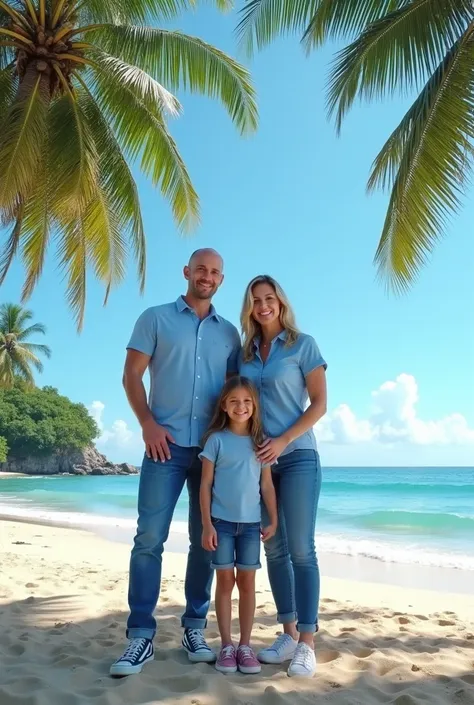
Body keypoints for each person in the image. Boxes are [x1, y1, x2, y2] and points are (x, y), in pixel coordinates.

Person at [110, 249, 241, 677]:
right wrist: (147, 423)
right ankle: (140, 637)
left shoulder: (230, 334)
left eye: (215, 272)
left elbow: (236, 393)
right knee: (149, 537)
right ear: (187, 272)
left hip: (210, 452)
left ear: (222, 280)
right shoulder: (155, 318)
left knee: (205, 538)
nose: (207, 276)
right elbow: (132, 375)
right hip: (162, 447)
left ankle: (194, 627)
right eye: (200, 269)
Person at [239, 275, 327, 678]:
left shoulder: (303, 345)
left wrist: (283, 440)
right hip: (260, 465)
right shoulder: (244, 354)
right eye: (256, 300)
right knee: (273, 549)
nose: (263, 306)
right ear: (249, 307)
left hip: (298, 457)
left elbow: (320, 404)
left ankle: (307, 642)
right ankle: (289, 633)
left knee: (301, 550)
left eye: (269, 298)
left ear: (280, 302)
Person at [199, 376, 277, 675]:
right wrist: (207, 525)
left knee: (247, 584)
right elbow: (205, 485)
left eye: (246, 401)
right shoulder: (216, 440)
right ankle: (227, 646)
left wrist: (272, 517)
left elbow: (266, 485)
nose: (240, 406)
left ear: (254, 405)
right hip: (221, 524)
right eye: (234, 401)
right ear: (224, 405)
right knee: (224, 583)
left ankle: (245, 646)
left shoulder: (261, 442)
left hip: (251, 525)